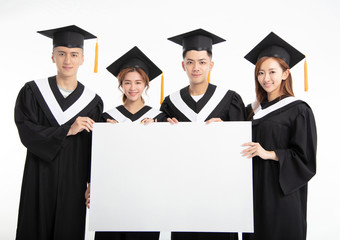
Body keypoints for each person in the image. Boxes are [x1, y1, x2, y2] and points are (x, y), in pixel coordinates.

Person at [14, 25, 103, 240]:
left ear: (83, 59)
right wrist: (67, 130)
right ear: (52, 56)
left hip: (74, 180)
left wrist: (94, 182)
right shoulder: (32, 92)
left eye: (74, 54)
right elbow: (27, 131)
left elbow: (96, 148)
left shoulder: (92, 102)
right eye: (61, 53)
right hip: (39, 177)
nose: (67, 60)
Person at [160, 28, 245, 240]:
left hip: (221, 193)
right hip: (182, 193)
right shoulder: (171, 103)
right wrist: (164, 128)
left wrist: (226, 129)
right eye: (190, 62)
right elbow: (160, 151)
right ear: (183, 65)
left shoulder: (230, 99)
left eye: (202, 61)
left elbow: (243, 148)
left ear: (211, 65)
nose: (196, 67)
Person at [241, 32, 317, 240]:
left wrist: (269, 154)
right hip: (253, 194)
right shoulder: (250, 111)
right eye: (261, 73)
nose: (266, 79)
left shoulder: (298, 110)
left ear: (285, 73)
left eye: (272, 72)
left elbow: (306, 160)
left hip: (282, 194)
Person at [85, 46, 162, 240]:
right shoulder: (107, 117)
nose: (133, 88)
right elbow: (96, 158)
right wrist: (91, 185)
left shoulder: (159, 118)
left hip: (147, 196)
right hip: (112, 194)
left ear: (146, 84)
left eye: (138, 82)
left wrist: (158, 129)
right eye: (127, 82)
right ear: (120, 84)